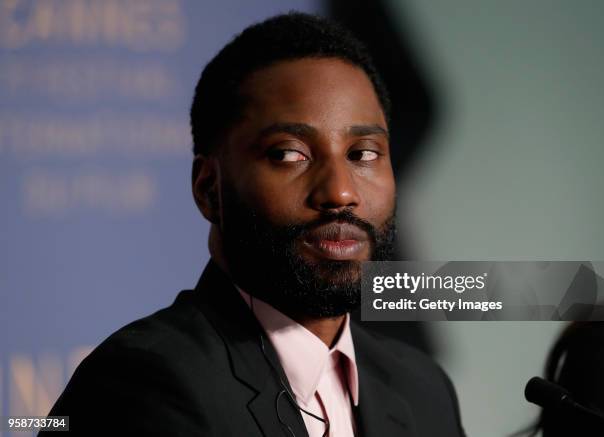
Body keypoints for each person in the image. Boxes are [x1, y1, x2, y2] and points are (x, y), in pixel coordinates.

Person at [42, 13, 465, 437]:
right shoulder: (140, 388)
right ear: (209, 189)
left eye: (364, 154)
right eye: (288, 154)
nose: (340, 192)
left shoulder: (424, 389)